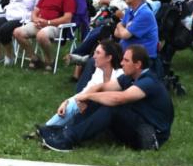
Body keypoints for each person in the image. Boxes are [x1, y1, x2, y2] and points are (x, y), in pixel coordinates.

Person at [39, 44, 173, 152]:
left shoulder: (149, 81)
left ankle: (68, 140)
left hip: (150, 137)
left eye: (126, 60)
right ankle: (63, 132)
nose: (121, 63)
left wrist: (90, 96)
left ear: (138, 65)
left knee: (112, 107)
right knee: (100, 99)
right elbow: (104, 87)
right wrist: (86, 97)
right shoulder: (129, 77)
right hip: (138, 125)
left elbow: (119, 98)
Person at [38, 37, 123, 140]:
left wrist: (87, 99)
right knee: (74, 104)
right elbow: (85, 92)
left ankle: (48, 131)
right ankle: (47, 130)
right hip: (94, 108)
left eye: (98, 53)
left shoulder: (120, 75)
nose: (94, 56)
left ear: (109, 58)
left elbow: (111, 98)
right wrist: (66, 102)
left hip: (110, 115)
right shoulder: (99, 71)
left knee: (80, 104)